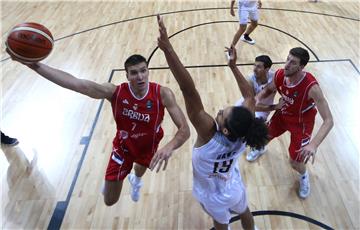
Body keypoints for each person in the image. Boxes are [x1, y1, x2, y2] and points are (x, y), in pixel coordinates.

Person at [7, 51, 190, 206]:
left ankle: (136, 180)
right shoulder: (114, 92)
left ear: (148, 71)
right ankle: (121, 177)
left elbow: (184, 130)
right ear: (126, 76)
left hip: (148, 146)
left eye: (143, 71)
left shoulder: (163, 94)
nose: (140, 77)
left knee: (140, 169)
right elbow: (77, 84)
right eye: (134, 73)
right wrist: (35, 65)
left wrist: (169, 146)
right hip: (123, 148)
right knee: (110, 201)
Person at [157, 15, 267, 230]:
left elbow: (188, 90)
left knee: (221, 223)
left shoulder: (209, 134)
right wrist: (233, 67)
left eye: (220, 115)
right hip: (232, 186)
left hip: (212, 195)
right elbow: (251, 98)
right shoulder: (245, 130)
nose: (218, 111)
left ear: (223, 129)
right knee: (245, 212)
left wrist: (168, 49)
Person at [254, 47, 334, 199]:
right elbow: (269, 90)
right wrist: (257, 98)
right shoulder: (279, 75)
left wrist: (313, 145)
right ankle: (261, 149)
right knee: (263, 138)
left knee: (295, 162)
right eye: (287, 59)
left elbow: (329, 121)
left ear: (301, 67)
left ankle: (304, 176)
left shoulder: (312, 88)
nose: (287, 64)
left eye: (293, 62)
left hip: (301, 125)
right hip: (283, 115)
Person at [235, 55, 277, 161]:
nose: (254, 68)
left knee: (255, 128)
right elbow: (252, 104)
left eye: (258, 66)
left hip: (263, 110)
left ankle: (260, 148)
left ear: (267, 69)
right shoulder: (250, 79)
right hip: (258, 104)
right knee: (233, 116)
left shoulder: (275, 78)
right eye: (254, 65)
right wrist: (274, 107)